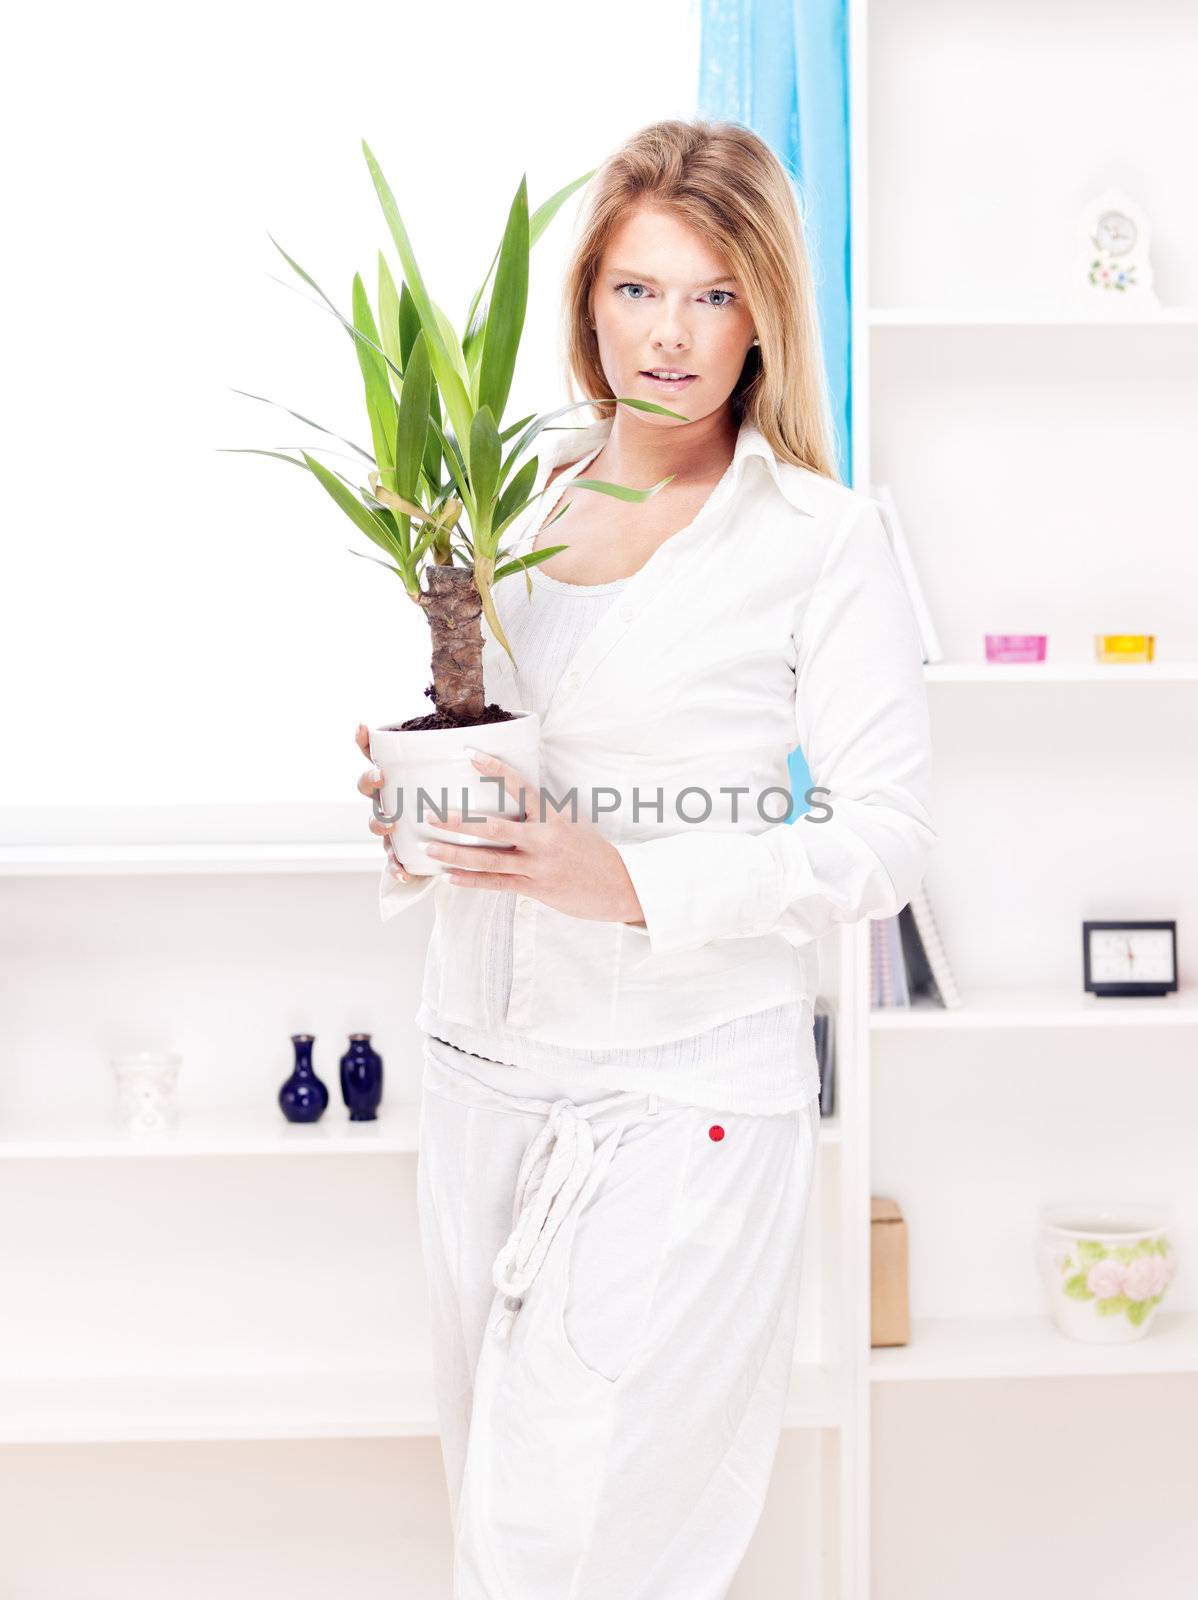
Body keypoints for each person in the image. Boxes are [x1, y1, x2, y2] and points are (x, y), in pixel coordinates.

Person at [355, 117, 936, 1599]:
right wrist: (421, 816)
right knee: (495, 1492)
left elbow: (883, 836)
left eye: (712, 296)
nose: (668, 336)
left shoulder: (819, 536)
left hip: (681, 1083)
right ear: (586, 301)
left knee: (582, 1525)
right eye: (635, 290)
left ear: (765, 318)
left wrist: (622, 877)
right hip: (482, 1052)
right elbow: (502, 738)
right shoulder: (512, 498)